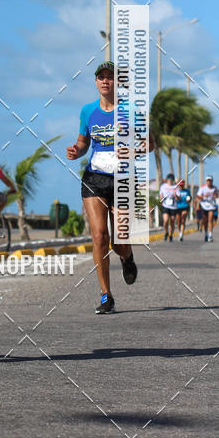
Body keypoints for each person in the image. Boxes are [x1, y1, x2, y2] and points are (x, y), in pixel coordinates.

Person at [66, 61, 152, 314]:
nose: (105, 81)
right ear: (96, 82)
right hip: (94, 178)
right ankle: (106, 295)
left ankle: (127, 256)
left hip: (123, 180)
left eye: (110, 77)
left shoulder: (131, 110)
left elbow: (150, 142)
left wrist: (133, 151)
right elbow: (83, 142)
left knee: (119, 241)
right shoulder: (87, 111)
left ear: (118, 82)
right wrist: (76, 151)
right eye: (101, 77)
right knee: (99, 236)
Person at [196, 175, 218, 242]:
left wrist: (215, 195)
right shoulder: (202, 188)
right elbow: (198, 196)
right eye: (208, 181)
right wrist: (203, 196)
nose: (209, 182)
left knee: (210, 220)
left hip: (211, 206)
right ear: (206, 181)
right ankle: (206, 234)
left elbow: (216, 195)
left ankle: (210, 235)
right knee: (205, 221)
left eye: (210, 181)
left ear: (212, 181)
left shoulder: (214, 188)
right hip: (204, 206)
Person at [159, 173, 179, 241]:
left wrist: (176, 196)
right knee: (166, 220)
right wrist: (161, 199)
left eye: (171, 180)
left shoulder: (176, 187)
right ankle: (166, 232)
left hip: (173, 207)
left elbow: (179, 198)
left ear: (173, 180)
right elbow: (161, 194)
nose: (170, 181)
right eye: (169, 179)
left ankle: (171, 234)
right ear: (167, 180)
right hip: (165, 206)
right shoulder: (163, 186)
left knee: (172, 221)